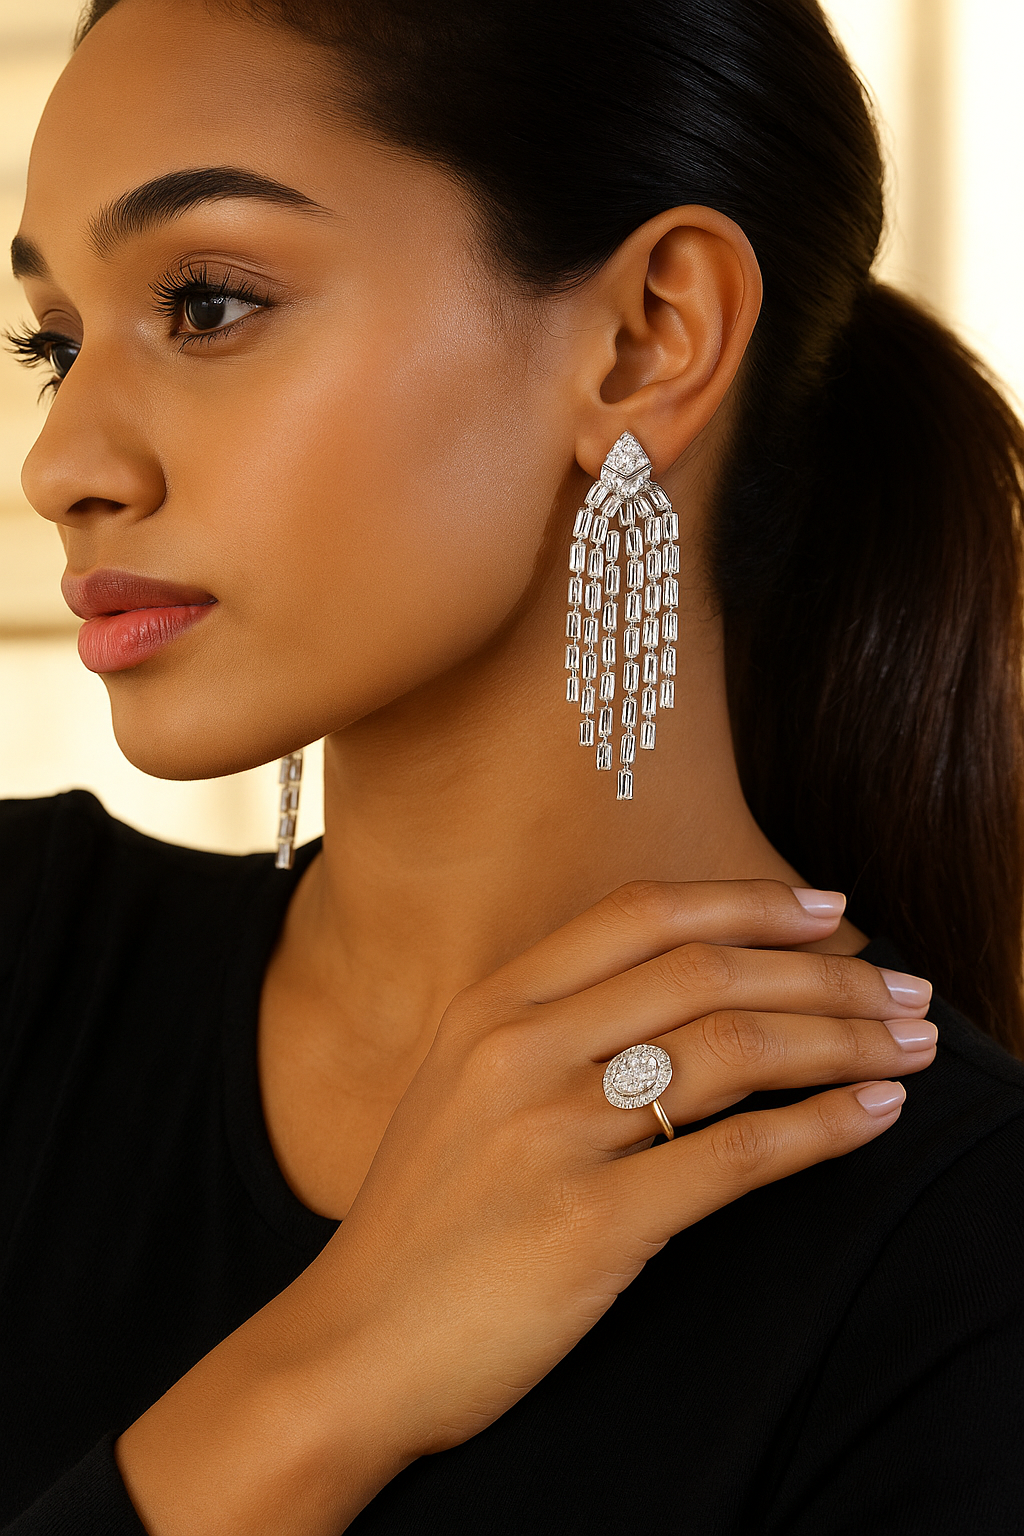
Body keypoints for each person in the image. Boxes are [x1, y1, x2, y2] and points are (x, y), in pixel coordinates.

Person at [3, 0, 1023, 1530]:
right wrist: (320, 1387)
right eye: (55, 344)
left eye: (207, 304)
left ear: (646, 339)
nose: (61, 466)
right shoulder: (21, 956)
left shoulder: (965, 1264)